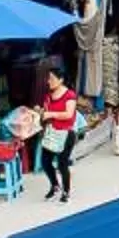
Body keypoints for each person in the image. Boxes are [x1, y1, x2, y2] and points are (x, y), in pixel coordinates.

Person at [39, 70, 80, 202]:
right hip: (51, 133)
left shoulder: (70, 95)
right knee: (45, 162)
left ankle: (66, 191)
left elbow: (68, 114)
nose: (48, 81)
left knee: (62, 164)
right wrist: (40, 112)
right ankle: (55, 185)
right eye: (48, 79)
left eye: (52, 79)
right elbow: (45, 111)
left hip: (66, 134)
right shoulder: (48, 96)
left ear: (61, 80)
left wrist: (51, 114)